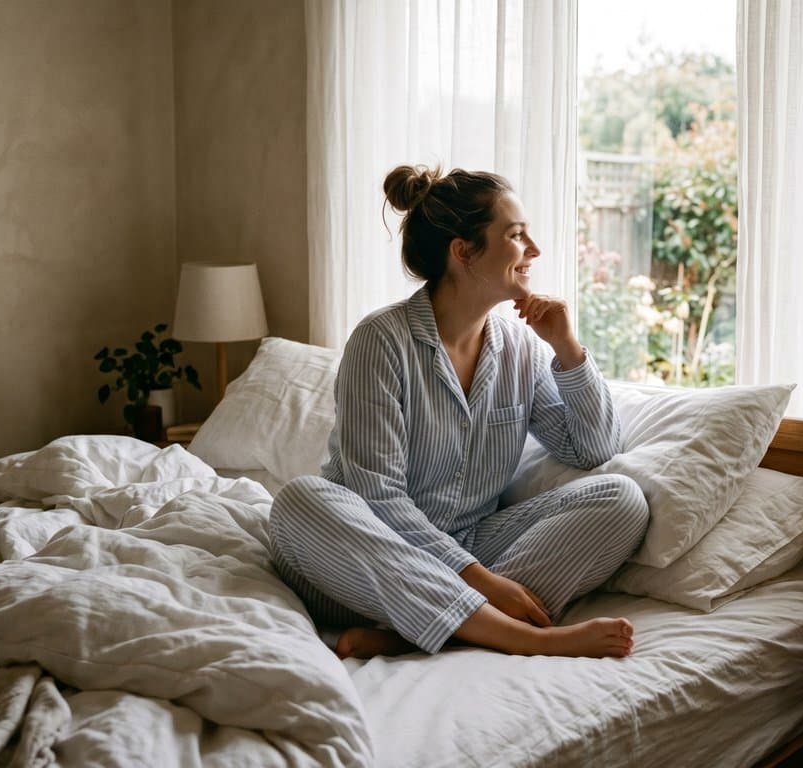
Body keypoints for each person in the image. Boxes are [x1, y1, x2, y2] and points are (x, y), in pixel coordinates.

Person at [268, 165, 649, 660]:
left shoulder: (521, 350)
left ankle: (416, 635)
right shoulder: (380, 341)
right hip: (360, 563)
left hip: (469, 546)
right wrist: (484, 582)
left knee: (622, 498)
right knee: (300, 500)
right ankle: (527, 638)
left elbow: (594, 449)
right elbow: (377, 498)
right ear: (463, 252)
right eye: (515, 236)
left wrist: (568, 349)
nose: (533, 249)